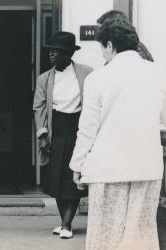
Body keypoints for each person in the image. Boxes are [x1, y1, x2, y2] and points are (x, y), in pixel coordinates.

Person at [70, 18, 165, 250]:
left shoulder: (97, 78)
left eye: (102, 48)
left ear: (110, 45)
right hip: (148, 166)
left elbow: (88, 129)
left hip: (108, 167)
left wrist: (77, 165)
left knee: (105, 236)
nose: (103, 54)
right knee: (141, 235)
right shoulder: (159, 74)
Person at [33, 31, 93, 239]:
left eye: (56, 51)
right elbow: (38, 107)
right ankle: (64, 222)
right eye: (50, 50)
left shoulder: (86, 73)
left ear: (68, 53)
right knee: (56, 179)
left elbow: (94, 103)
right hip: (56, 130)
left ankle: (67, 224)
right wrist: (42, 135)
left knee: (73, 179)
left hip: (77, 129)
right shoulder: (45, 79)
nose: (51, 54)